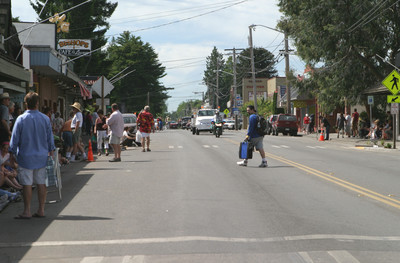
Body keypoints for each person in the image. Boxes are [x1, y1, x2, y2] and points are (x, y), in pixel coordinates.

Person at [9, 91, 55, 219]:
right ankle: (41, 209)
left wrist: (12, 154)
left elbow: (14, 138)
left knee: (27, 184)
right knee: (41, 182)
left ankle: (27, 210)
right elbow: (50, 139)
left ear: (26, 104)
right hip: (42, 156)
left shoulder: (21, 119)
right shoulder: (45, 119)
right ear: (37, 103)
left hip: (25, 156)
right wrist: (51, 150)